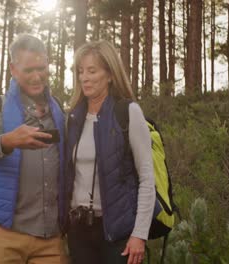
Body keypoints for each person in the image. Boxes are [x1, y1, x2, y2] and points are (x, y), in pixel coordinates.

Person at [0, 34, 68, 264]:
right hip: (4, 236)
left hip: (51, 238)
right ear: (13, 70)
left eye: (42, 68)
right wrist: (9, 140)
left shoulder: (59, 112)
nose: (37, 77)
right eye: (28, 70)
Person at [63, 40, 156, 264]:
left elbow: (146, 177)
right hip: (79, 232)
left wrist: (139, 235)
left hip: (119, 232)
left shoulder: (128, 112)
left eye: (92, 71)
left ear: (110, 75)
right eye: (80, 71)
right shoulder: (73, 118)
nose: (84, 77)